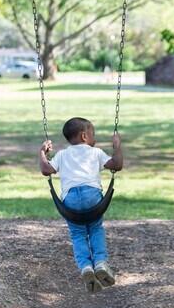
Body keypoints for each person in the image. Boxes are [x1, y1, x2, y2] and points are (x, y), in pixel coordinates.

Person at [39, 117, 123, 294]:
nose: (95, 139)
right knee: (95, 229)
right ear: (84, 136)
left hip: (71, 200)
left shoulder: (61, 155)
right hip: (93, 197)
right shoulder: (96, 153)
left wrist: (42, 153)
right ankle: (100, 263)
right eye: (93, 135)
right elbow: (117, 165)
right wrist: (117, 146)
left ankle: (86, 267)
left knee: (78, 233)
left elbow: (46, 170)